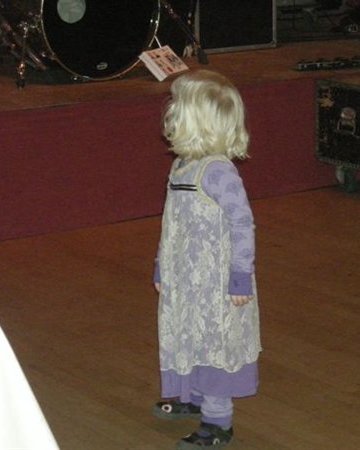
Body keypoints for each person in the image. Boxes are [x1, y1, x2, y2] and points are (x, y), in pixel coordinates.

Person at [152, 69, 262, 450]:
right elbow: (171, 223)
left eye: (177, 107)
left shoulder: (218, 173)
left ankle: (218, 421)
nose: (170, 112)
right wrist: (162, 264)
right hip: (186, 277)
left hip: (216, 283)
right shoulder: (181, 165)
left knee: (214, 341)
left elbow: (242, 224)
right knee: (189, 334)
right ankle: (195, 396)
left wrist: (240, 276)